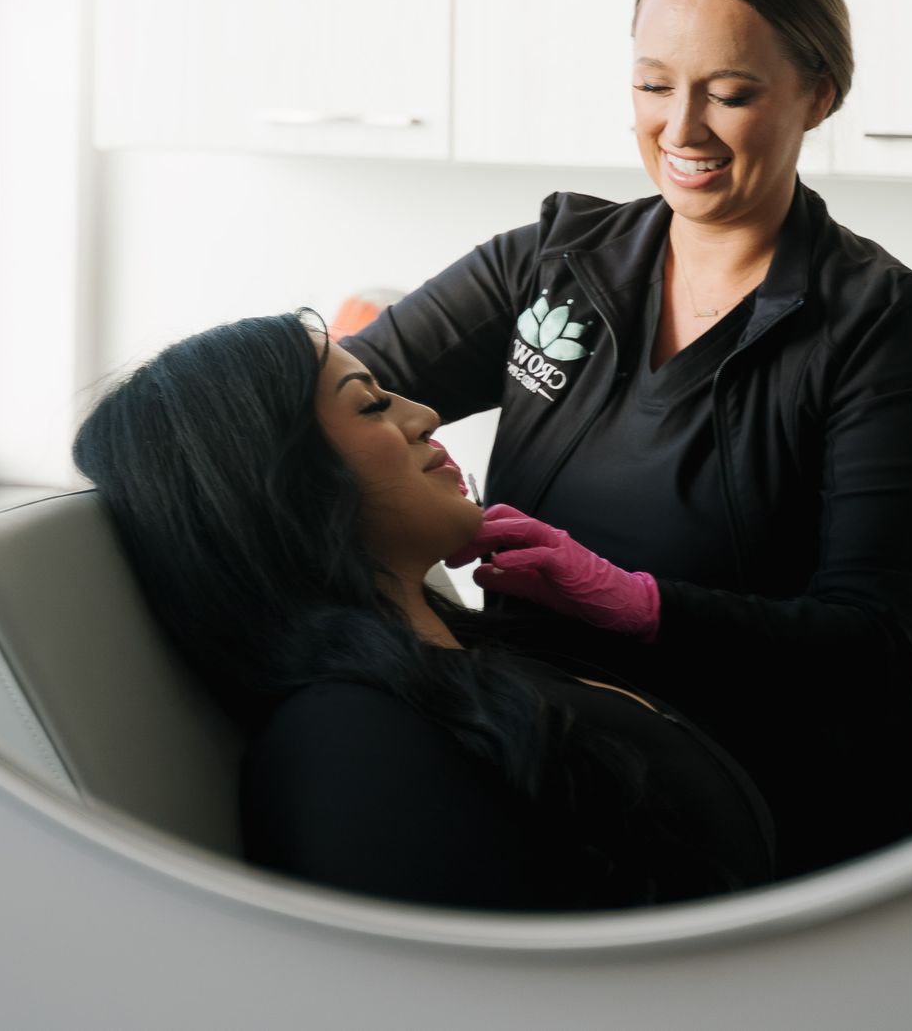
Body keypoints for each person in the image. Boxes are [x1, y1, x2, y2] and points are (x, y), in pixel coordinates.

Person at [342, 0, 912, 877]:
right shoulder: (550, 266)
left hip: (823, 833)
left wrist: (636, 604)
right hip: (612, 797)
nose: (681, 128)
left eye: (730, 93)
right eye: (654, 84)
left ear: (817, 95)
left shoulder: (877, 327)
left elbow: (875, 644)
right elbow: (328, 401)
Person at [71, 312, 778, 911]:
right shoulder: (353, 743)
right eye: (371, 405)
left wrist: (640, 611)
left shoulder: (465, 664)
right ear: (286, 484)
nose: (426, 415)